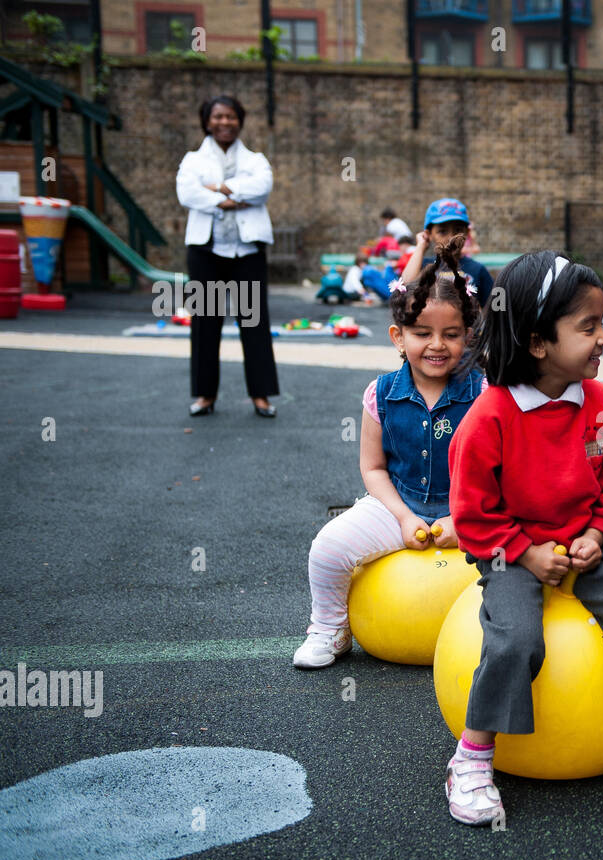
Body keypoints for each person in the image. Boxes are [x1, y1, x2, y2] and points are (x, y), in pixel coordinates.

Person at [445, 250, 603, 825]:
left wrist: (596, 532)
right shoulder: (489, 418)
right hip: (510, 552)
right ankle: (472, 755)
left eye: (601, 323)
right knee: (514, 641)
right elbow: (472, 514)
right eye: (589, 327)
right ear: (538, 343)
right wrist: (523, 553)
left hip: (592, 547)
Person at [293, 237, 483, 669]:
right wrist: (401, 517)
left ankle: (501, 636)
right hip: (397, 503)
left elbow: (498, 469)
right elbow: (373, 467)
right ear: (398, 337)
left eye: (451, 334)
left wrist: (462, 518)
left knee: (520, 558)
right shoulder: (380, 394)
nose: (437, 344)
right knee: (327, 548)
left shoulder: (485, 393)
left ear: (467, 336)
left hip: (470, 508)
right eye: (422, 333)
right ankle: (329, 627)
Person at [176, 95, 278, 418]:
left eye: (231, 116)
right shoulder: (192, 159)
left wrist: (216, 187)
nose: (224, 122)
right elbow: (186, 193)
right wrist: (231, 196)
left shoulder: (256, 159)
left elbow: (262, 187)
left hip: (246, 252)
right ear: (207, 121)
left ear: (240, 121)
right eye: (218, 116)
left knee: (253, 322)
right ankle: (205, 395)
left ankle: (260, 395)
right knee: (206, 322)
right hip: (206, 251)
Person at [399, 198, 493, 310]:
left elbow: (495, 308)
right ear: (429, 234)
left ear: (467, 233)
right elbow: (405, 286)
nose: (451, 238)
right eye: (442, 231)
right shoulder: (424, 266)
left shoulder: (477, 270)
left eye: (458, 230)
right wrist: (421, 246)